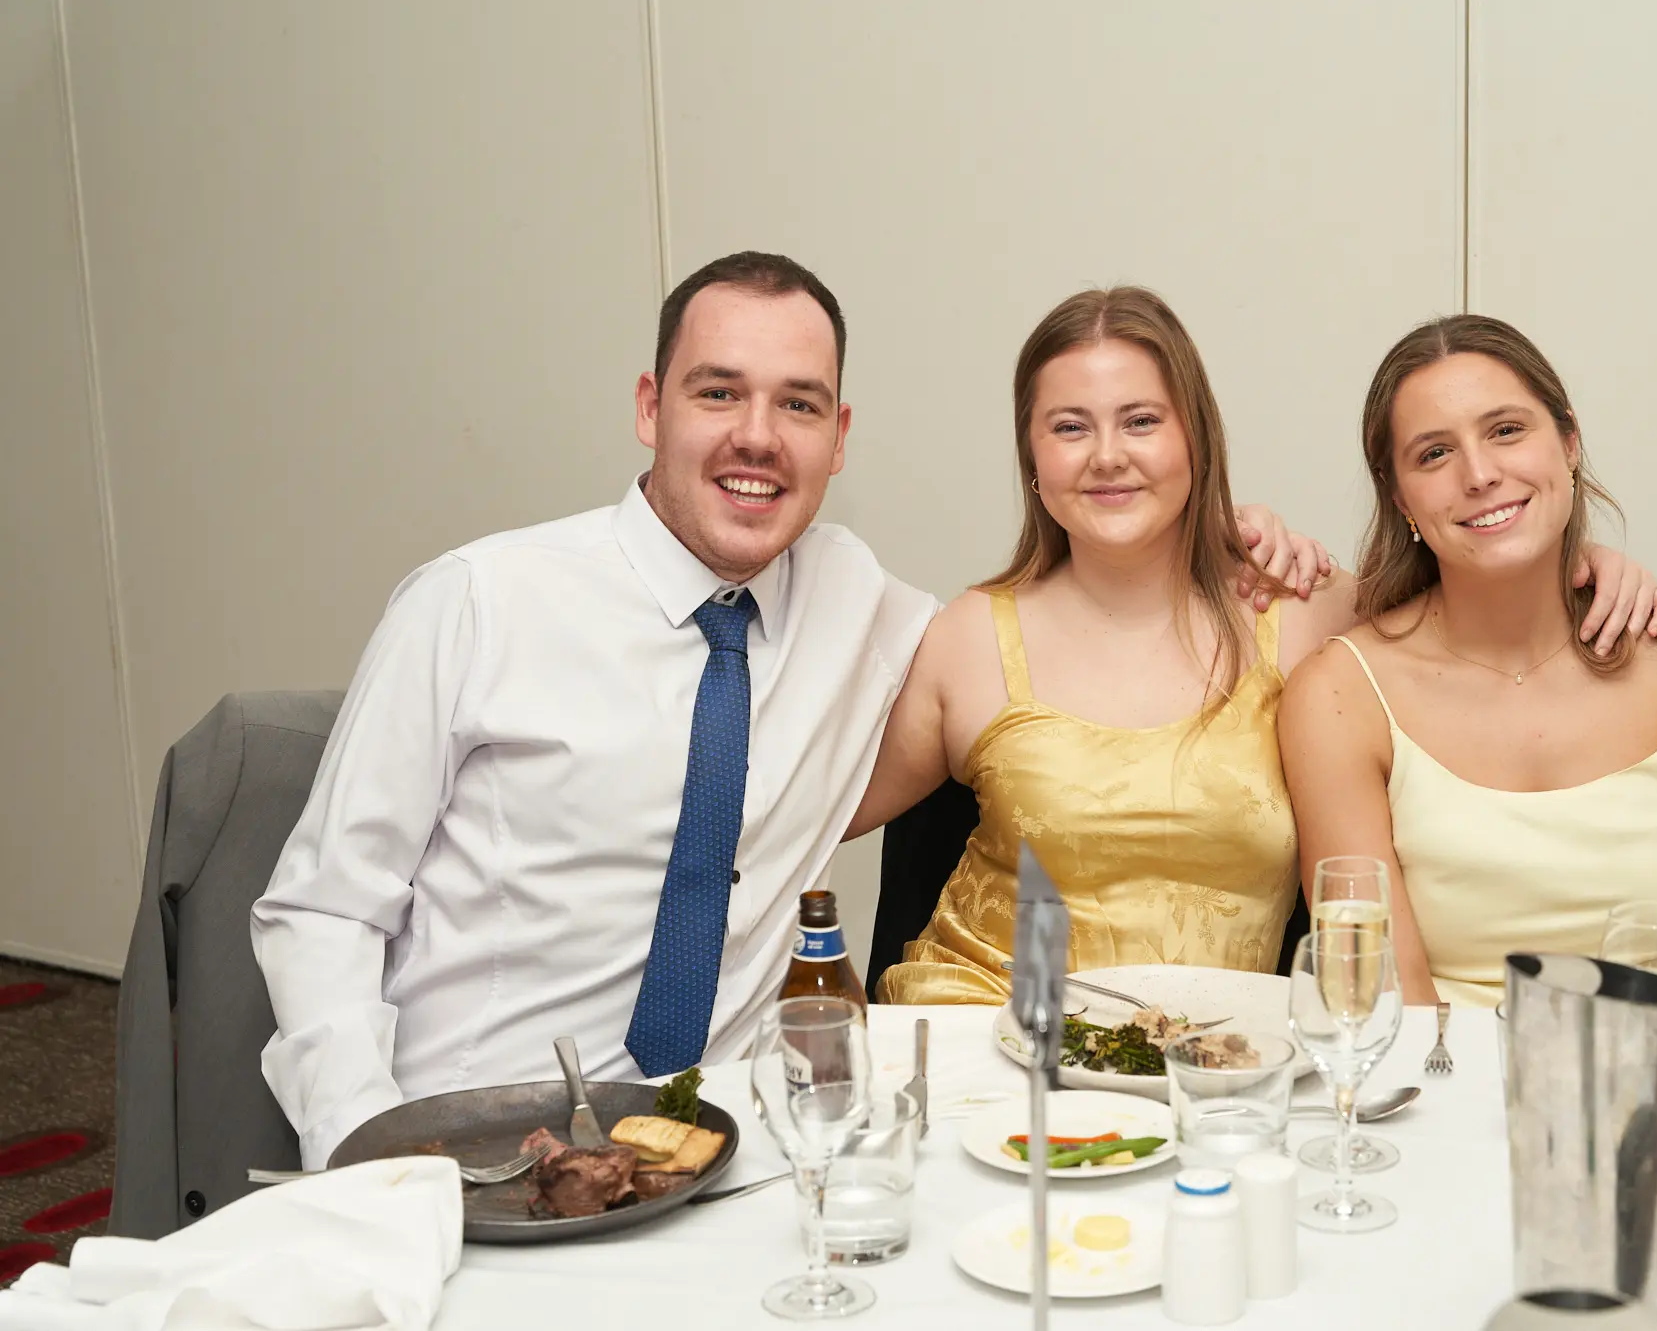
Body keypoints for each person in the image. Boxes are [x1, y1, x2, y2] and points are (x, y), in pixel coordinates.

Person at [251, 253, 1329, 1169]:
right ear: (649, 406)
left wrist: (1219, 535)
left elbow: (1075, 644)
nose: (757, 436)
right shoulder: (478, 602)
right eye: (718, 393)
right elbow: (323, 910)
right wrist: (364, 1150)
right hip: (473, 1138)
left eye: (798, 404)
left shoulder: (864, 608)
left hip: (726, 1139)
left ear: (838, 435)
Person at [854, 289, 1657, 1004]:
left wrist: (1584, 569)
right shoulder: (968, 637)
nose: (1107, 455)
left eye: (1141, 421)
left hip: (1211, 1072)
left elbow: (1477, 592)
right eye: (1070, 427)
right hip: (982, 1044)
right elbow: (805, 814)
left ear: (1196, 440)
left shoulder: (1304, 609)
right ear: (1032, 457)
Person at [1278, 314, 1657, 1007]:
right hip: (1440, 1074)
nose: (1480, 474)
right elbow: (1383, 1007)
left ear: (1569, 442)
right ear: (1401, 497)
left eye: (1506, 430)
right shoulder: (1340, 695)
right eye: (1435, 453)